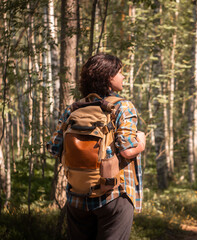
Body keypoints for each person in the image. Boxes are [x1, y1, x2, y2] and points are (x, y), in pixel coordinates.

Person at [47, 53, 145, 239]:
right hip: (114, 195)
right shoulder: (123, 107)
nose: (123, 76)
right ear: (108, 77)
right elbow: (127, 150)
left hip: (76, 196)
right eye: (120, 72)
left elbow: (54, 148)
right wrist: (141, 142)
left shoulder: (74, 109)